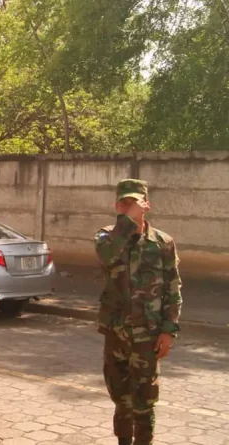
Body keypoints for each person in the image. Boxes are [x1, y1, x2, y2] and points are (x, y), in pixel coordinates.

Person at [94, 179, 183, 445]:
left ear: (147, 205)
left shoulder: (162, 243)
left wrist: (169, 330)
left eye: (135, 203)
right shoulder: (107, 236)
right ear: (116, 206)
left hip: (148, 335)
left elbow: (173, 287)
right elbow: (107, 255)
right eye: (124, 203)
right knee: (121, 399)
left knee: (145, 401)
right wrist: (128, 222)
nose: (129, 207)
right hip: (116, 332)